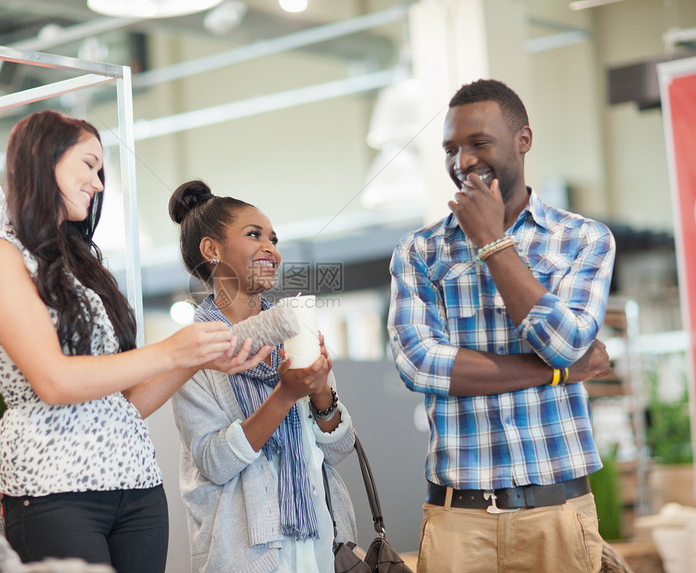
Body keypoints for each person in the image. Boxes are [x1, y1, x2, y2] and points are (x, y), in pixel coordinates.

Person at [0, 110, 268, 572]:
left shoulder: (77, 267)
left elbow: (127, 402)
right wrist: (170, 350)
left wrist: (197, 357)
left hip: (138, 487)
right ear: (45, 161)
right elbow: (53, 381)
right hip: (55, 489)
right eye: (88, 165)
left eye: (100, 170)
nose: (98, 183)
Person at [387, 79, 616, 573]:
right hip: (458, 520)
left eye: (479, 143)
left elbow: (564, 342)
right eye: (451, 149)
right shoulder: (419, 251)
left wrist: (492, 241)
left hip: (557, 513)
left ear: (523, 140)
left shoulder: (582, 239)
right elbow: (422, 366)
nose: (462, 162)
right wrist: (558, 373)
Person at [168, 180, 358, 573]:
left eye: (274, 238)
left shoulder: (295, 331)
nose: (271, 248)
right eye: (254, 235)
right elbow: (215, 461)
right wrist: (285, 396)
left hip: (320, 544)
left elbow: (339, 450)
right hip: (244, 555)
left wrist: (321, 394)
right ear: (212, 249)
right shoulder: (194, 350)